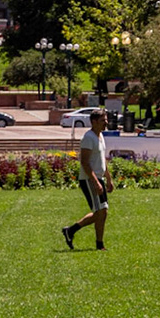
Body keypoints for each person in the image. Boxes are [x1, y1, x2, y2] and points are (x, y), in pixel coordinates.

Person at [62, 106, 113, 250]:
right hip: (89, 179)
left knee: (102, 212)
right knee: (100, 212)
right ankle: (98, 244)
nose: (106, 123)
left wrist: (108, 179)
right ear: (94, 121)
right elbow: (84, 162)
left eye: (106, 120)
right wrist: (95, 182)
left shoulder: (100, 136)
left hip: (98, 178)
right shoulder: (88, 138)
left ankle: (71, 231)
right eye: (103, 120)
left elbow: (102, 159)